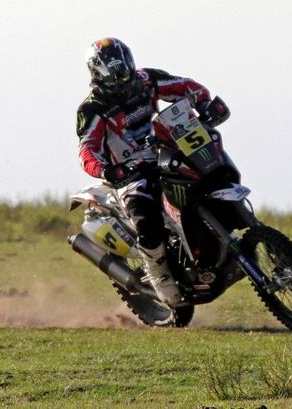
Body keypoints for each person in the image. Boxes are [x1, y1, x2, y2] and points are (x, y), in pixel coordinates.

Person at [76, 37, 215, 306]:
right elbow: (87, 149)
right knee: (145, 213)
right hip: (130, 173)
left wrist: (205, 102)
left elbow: (186, 87)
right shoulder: (92, 108)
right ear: (98, 73)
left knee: (205, 175)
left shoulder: (146, 80)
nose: (120, 80)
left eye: (122, 70)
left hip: (167, 151)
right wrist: (106, 169)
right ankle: (159, 274)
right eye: (113, 73)